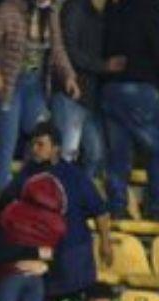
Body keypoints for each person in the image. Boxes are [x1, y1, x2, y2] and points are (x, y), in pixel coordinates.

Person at [5, 122, 113, 301]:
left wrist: (105, 243)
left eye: (40, 144)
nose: (34, 149)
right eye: (33, 144)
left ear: (55, 148)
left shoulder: (75, 176)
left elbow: (100, 211)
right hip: (42, 258)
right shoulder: (25, 176)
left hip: (74, 256)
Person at [0, 0, 78, 191]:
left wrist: (68, 76)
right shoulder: (7, 10)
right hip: (10, 84)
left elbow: (58, 49)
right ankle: (2, 192)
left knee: (43, 134)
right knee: (7, 139)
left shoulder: (50, 14)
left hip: (33, 86)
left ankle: (31, 186)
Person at [100, 0, 159, 219]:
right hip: (139, 87)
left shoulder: (113, 8)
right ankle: (155, 207)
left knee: (119, 154)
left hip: (109, 89)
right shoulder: (150, 8)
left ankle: (117, 206)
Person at [52, 0, 112, 179]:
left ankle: (76, 197)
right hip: (71, 93)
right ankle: (56, 198)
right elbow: (70, 49)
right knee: (66, 155)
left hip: (90, 98)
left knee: (95, 154)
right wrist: (103, 66)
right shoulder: (75, 7)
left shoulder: (105, 14)